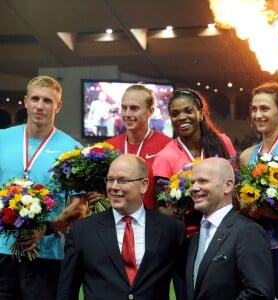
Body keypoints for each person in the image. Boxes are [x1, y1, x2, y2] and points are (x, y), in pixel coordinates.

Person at [0, 75, 88, 300]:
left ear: (58, 106)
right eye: (36, 99)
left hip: (47, 255)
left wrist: (45, 229)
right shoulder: (2, 139)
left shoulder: (72, 149)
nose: (40, 106)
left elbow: (79, 207)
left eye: (47, 101)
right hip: (1, 252)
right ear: (26, 101)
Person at [57, 154, 187, 300]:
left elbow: (183, 286)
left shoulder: (171, 229)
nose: (113, 187)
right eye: (110, 180)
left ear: (143, 185)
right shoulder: (82, 231)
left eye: (122, 180)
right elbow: (67, 291)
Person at [152, 88, 236, 299]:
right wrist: (186, 208)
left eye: (187, 110)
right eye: (175, 113)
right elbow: (161, 206)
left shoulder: (222, 143)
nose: (182, 117)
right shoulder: (166, 156)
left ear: (200, 112)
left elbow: (236, 185)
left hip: (226, 235)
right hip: (189, 241)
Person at [239, 81, 278, 299]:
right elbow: (244, 202)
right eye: (254, 109)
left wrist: (274, 211)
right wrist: (248, 208)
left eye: (264, 108)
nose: (257, 115)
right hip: (257, 246)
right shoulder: (246, 157)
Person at [187, 157, 274, 300]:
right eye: (192, 182)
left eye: (203, 181)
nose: (194, 188)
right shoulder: (196, 237)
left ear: (228, 185)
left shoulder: (248, 232)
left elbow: (259, 294)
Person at [105, 84, 172, 210]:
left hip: (153, 224)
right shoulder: (108, 147)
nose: (127, 114)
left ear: (150, 111)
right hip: (115, 225)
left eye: (134, 108)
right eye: (124, 108)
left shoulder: (167, 146)